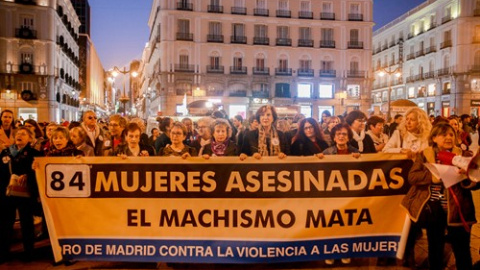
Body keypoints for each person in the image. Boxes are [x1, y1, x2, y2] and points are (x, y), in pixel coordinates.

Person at [402, 123, 477, 270]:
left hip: (458, 210)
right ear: (434, 138)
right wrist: (432, 177)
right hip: (433, 210)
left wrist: (468, 176)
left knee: (462, 250)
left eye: (451, 134)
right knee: (435, 247)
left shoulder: (464, 155)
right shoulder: (425, 154)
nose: (449, 137)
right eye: (444, 135)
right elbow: (412, 177)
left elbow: (476, 182)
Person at [0, 127, 42, 262]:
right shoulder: (6, 153)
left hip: (26, 194)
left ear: (30, 138)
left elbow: (39, 173)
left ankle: (29, 253)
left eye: (23, 134)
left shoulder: (35, 154)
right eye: (17, 133)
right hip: (8, 193)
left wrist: (28, 175)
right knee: (6, 223)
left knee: (26, 223)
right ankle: (4, 253)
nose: (19, 136)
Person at [322, 122, 359, 265]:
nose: (341, 137)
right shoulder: (326, 153)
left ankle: (345, 251)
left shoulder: (355, 152)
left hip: (349, 196)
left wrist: (359, 160)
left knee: (347, 225)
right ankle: (330, 252)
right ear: (334, 137)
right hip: (331, 195)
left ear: (349, 137)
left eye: (344, 134)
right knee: (331, 225)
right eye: (338, 134)